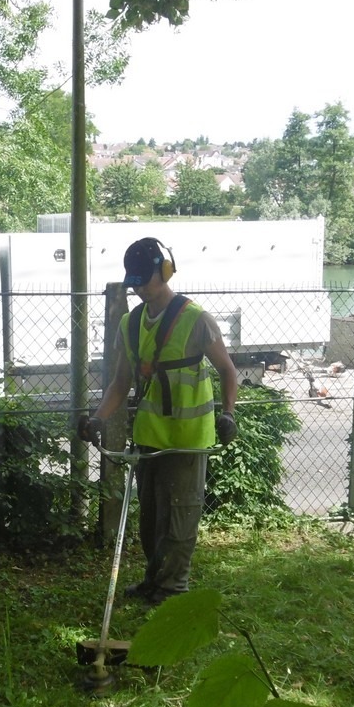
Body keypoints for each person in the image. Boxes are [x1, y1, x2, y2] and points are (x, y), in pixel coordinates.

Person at [78, 237, 239, 605]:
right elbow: (121, 382)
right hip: (149, 437)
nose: (138, 289)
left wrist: (228, 413)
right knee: (151, 518)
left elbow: (228, 371)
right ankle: (154, 582)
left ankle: (173, 589)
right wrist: (98, 419)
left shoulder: (196, 319)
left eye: (144, 280)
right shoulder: (130, 324)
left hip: (188, 439)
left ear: (165, 271)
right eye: (133, 282)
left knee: (179, 518)